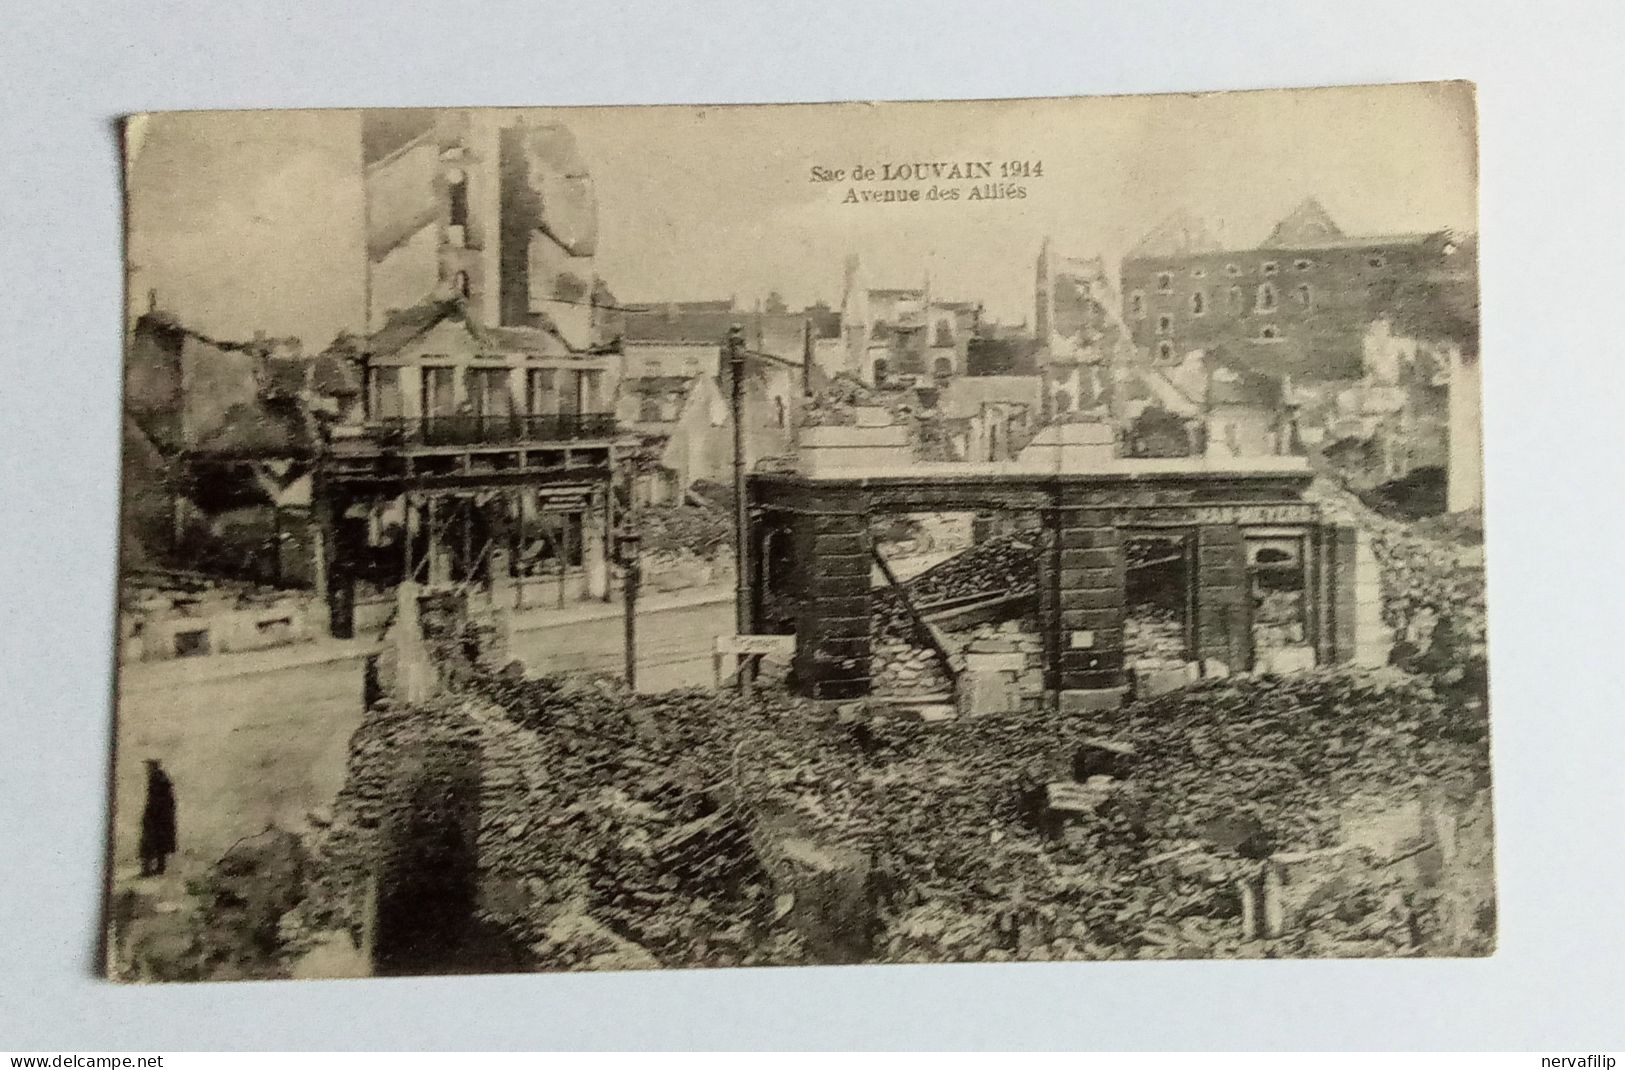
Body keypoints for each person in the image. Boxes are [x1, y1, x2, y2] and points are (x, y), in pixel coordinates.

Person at [137, 759, 176, 877]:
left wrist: (149, 815)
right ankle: (159, 867)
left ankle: (148, 870)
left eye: (149, 766)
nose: (147, 769)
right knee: (160, 844)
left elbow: (155, 801)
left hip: (156, 818)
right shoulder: (161, 780)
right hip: (162, 817)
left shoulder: (156, 780)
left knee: (150, 843)